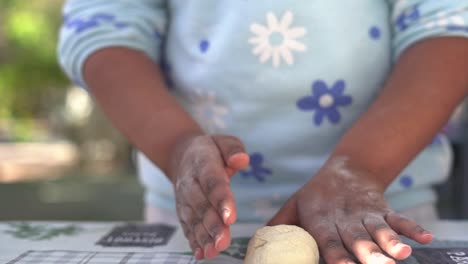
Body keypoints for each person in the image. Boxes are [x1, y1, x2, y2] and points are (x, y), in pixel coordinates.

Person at [58, 1, 468, 263]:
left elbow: (449, 23)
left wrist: (361, 166)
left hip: (382, 217)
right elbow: (104, 24)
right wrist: (176, 146)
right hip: (194, 224)